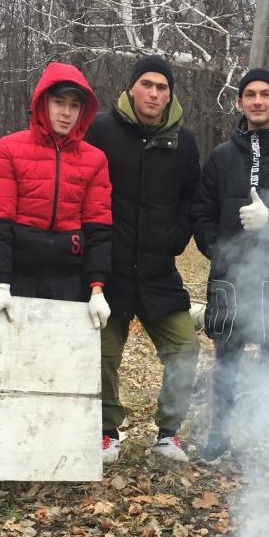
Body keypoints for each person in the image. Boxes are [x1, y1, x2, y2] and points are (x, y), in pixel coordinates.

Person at [0, 61, 113, 498]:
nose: (67, 112)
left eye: (75, 104)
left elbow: (98, 227)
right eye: (59, 102)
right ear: (42, 103)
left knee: (66, 369)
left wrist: (97, 288)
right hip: (21, 275)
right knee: (16, 369)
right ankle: (2, 464)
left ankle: (63, 460)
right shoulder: (9, 150)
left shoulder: (94, 159)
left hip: (69, 278)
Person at [191, 68, 269, 463]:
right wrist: (221, 252)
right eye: (250, 94)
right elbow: (201, 213)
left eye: (266, 94)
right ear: (239, 102)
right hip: (231, 279)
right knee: (226, 361)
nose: (257, 101)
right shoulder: (221, 157)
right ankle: (219, 436)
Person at [85, 55, 201, 464]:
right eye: (147, 84)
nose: (154, 93)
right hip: (109, 269)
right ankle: (105, 432)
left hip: (157, 271)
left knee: (185, 349)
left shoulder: (184, 142)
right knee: (101, 355)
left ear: (170, 95)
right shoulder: (99, 130)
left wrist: (177, 235)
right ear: (131, 87)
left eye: (162, 87)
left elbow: (193, 196)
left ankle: (168, 434)